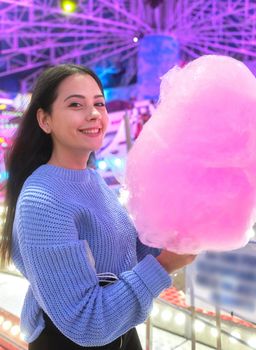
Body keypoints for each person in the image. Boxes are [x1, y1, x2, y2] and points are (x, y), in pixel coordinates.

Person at [0, 64, 196, 350]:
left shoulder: (93, 178)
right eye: (76, 104)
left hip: (120, 330)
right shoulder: (42, 200)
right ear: (45, 120)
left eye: (99, 103)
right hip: (70, 341)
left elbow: (126, 253)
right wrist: (165, 264)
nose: (93, 114)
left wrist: (175, 234)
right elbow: (85, 320)